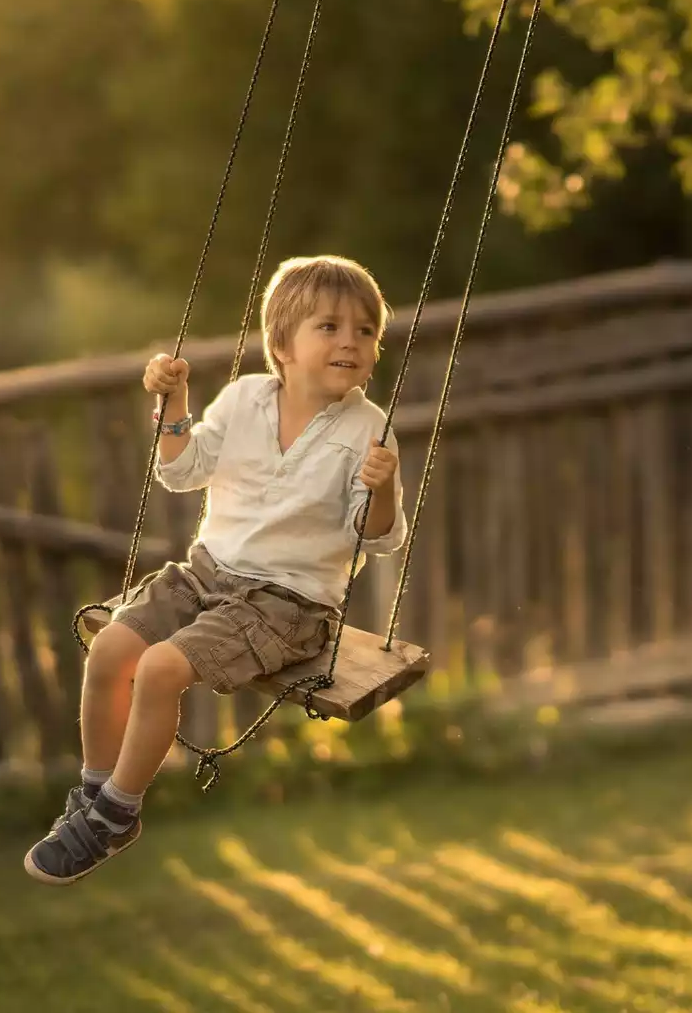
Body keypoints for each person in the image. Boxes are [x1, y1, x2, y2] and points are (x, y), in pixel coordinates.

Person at [25, 254, 411, 886]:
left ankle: (119, 813)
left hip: (287, 605)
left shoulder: (370, 433)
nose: (351, 340)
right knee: (110, 651)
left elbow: (378, 539)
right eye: (331, 326)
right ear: (282, 344)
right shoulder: (243, 400)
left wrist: (385, 487)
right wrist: (173, 401)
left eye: (366, 331)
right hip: (205, 575)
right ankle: (94, 796)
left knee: (158, 669)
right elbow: (179, 472)